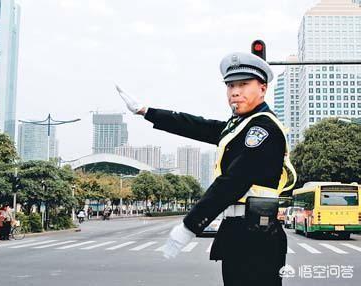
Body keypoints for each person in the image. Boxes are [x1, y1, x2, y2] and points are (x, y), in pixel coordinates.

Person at [117, 52, 296, 285]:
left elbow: (233, 181)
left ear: (262, 89)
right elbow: (198, 126)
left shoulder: (262, 129)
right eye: (230, 85)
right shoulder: (241, 125)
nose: (235, 92)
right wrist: (146, 111)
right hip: (241, 234)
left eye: (243, 84)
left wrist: (189, 225)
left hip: (257, 239)